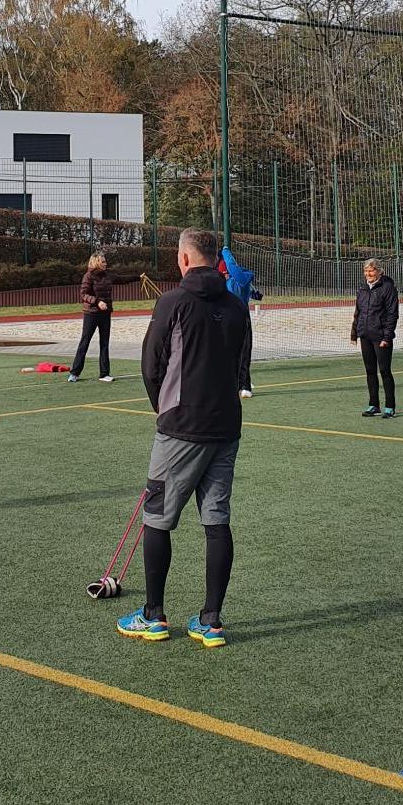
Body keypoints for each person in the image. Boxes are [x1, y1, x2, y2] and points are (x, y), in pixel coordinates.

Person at [117, 229, 249, 649]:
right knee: (217, 520)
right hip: (226, 426)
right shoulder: (236, 304)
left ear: (185, 259)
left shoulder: (171, 302)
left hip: (181, 427)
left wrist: (163, 407)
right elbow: (242, 366)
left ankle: (154, 615)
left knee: (157, 518)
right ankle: (211, 620)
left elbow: (150, 364)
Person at [351, 259, 399, 418]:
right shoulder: (362, 288)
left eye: (371, 271)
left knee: (384, 371)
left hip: (381, 337)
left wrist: (387, 336)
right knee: (370, 371)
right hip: (365, 335)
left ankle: (390, 407)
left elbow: (392, 314)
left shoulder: (388, 288)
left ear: (379, 271)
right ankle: (373, 405)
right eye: (366, 271)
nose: (368, 274)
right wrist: (354, 333)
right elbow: (358, 312)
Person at [219, 245, 263, 395]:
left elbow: (237, 274)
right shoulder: (224, 283)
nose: (225, 275)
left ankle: (244, 384)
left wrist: (226, 253)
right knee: (229, 352)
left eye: (226, 273)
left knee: (244, 351)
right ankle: (237, 382)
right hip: (226, 318)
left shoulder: (242, 276)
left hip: (241, 317)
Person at [67, 252, 114, 382]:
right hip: (91, 313)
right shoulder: (88, 276)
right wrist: (97, 301)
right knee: (85, 341)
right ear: (96, 262)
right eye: (103, 262)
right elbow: (84, 294)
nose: (105, 263)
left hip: (105, 313)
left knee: (104, 343)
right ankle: (74, 373)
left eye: (105, 261)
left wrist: (139, 277)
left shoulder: (107, 275)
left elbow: (122, 279)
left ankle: (104, 373)